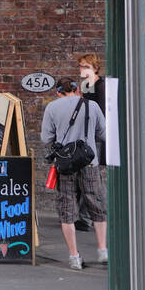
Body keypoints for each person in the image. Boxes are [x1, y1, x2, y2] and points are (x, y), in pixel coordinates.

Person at [40, 77, 107, 269]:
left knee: (67, 209)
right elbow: (103, 133)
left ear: (58, 92)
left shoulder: (52, 108)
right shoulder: (91, 105)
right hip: (89, 162)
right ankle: (102, 250)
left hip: (65, 165)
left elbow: (46, 137)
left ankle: (74, 256)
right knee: (97, 204)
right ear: (77, 90)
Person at [75, 53, 108, 232]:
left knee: (92, 178)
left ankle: (88, 217)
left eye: (86, 66)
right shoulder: (84, 86)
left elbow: (101, 115)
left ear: (95, 68)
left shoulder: (101, 86)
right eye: (81, 66)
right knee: (81, 176)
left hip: (94, 138)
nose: (83, 70)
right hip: (83, 136)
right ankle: (83, 216)